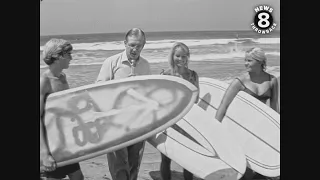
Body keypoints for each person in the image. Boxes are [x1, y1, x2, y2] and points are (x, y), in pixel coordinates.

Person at [215, 47, 279, 180]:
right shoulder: (240, 81)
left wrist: (275, 130)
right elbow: (224, 105)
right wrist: (215, 128)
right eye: (245, 60)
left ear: (259, 61)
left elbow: (274, 108)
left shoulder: (272, 80)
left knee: (261, 163)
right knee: (245, 166)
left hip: (261, 128)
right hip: (242, 128)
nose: (245, 64)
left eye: (249, 60)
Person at [96, 28, 151, 180]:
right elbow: (98, 90)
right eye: (132, 45)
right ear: (125, 43)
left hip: (138, 123)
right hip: (115, 124)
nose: (135, 49)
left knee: (134, 165)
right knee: (119, 167)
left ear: (144, 45)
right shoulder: (111, 63)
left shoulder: (145, 65)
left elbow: (148, 94)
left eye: (139, 46)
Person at [40, 38, 84, 180]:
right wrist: (44, 153)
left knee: (77, 177)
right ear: (58, 56)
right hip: (50, 143)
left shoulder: (62, 77)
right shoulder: (44, 81)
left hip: (63, 142)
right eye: (68, 54)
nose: (71, 58)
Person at [160, 42, 199, 180]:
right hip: (169, 121)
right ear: (173, 56)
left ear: (188, 57)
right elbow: (161, 99)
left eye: (184, 56)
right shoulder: (166, 74)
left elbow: (196, 99)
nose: (181, 59)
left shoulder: (193, 75)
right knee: (166, 157)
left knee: (188, 159)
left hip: (188, 122)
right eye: (178, 56)